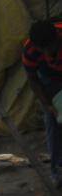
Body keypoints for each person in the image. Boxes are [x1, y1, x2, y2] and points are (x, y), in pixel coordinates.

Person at [22, 20, 62, 187]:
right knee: (53, 121)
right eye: (42, 50)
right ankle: (58, 170)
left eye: (50, 48)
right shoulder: (30, 50)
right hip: (49, 80)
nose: (47, 52)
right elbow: (33, 80)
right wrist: (47, 105)